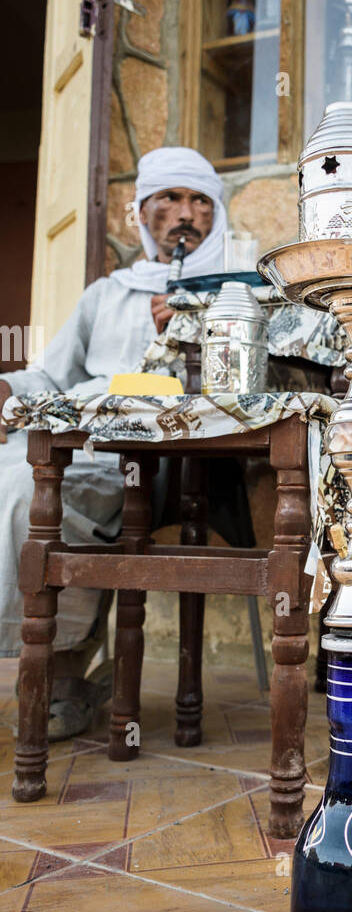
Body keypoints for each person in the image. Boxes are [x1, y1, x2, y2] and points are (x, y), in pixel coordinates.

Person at [0, 147, 227, 739]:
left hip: (153, 454)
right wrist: (7, 386)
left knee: (32, 495)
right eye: (169, 199)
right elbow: (50, 376)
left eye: (199, 201)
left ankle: (64, 671)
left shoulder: (236, 290)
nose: (184, 213)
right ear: (143, 213)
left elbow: (248, 389)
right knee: (14, 478)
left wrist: (198, 333)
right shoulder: (107, 292)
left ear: (214, 215)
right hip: (73, 429)